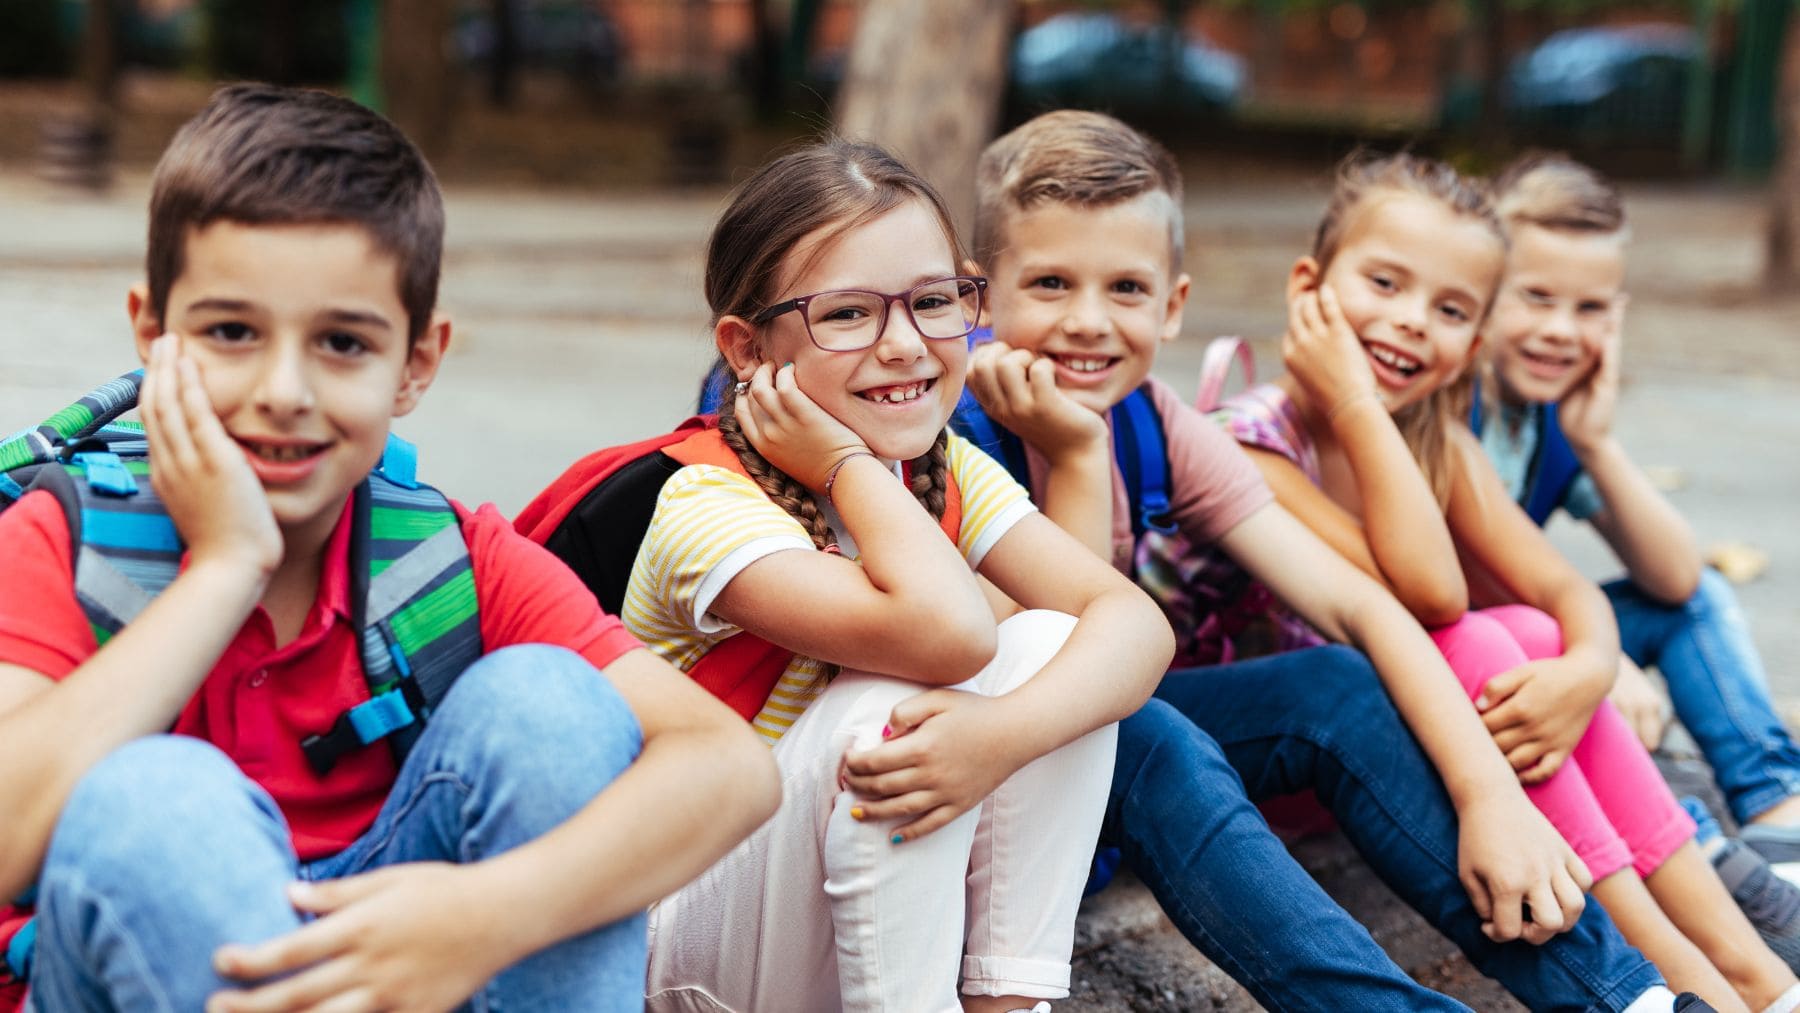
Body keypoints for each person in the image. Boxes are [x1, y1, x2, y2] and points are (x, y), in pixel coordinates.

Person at [0, 83, 778, 1013]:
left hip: (407, 950)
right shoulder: (64, 537)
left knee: (551, 707)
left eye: (341, 342)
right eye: (232, 332)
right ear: (153, 333)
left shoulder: (445, 554)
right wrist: (223, 567)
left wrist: (483, 916)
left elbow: (730, 767)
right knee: (160, 801)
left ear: (417, 362)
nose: (284, 389)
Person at [962, 109, 1698, 1011]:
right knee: (1154, 733)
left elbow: (1371, 607)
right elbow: (1062, 673)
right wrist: (1074, 458)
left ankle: (1628, 997)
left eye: (1124, 288)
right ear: (978, 297)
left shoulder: (1157, 423)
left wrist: (1491, 799)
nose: (1087, 322)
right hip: (1001, 756)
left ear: (1173, 305)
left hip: (1111, 730)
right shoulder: (944, 426)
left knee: (1338, 683)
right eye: (1048, 283)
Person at [539, 138, 1174, 1013]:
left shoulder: (948, 470)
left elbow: (1135, 625)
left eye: (933, 302)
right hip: (677, 932)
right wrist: (843, 465)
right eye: (847, 315)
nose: (906, 345)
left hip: (825, 911)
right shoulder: (704, 506)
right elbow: (947, 634)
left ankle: (1006, 1005)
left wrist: (1003, 735)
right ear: (746, 348)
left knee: (1055, 644)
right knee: (888, 705)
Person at [1188, 148, 1798, 1010]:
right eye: (1385, 284)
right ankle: (1683, 974)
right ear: (1308, 287)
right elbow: (1429, 598)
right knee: (1476, 634)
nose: (1408, 323)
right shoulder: (1248, 444)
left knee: (1539, 638)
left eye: (1448, 309)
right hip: (1300, 759)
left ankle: (1752, 971)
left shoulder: (1441, 438)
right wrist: (1358, 407)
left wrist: (1586, 672)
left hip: (1430, 736)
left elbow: (1568, 594)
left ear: (1472, 343)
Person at [1480, 154, 1800, 879]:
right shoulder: (1451, 402)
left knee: (1699, 601)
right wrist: (1591, 651)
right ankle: (1685, 844)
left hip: (1529, 631)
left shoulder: (1552, 419)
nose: (1561, 330)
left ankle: (1780, 814)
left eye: (1591, 309)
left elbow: (1676, 574)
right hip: (1463, 653)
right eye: (1535, 297)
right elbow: (1458, 569)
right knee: (1573, 661)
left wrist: (1595, 440)